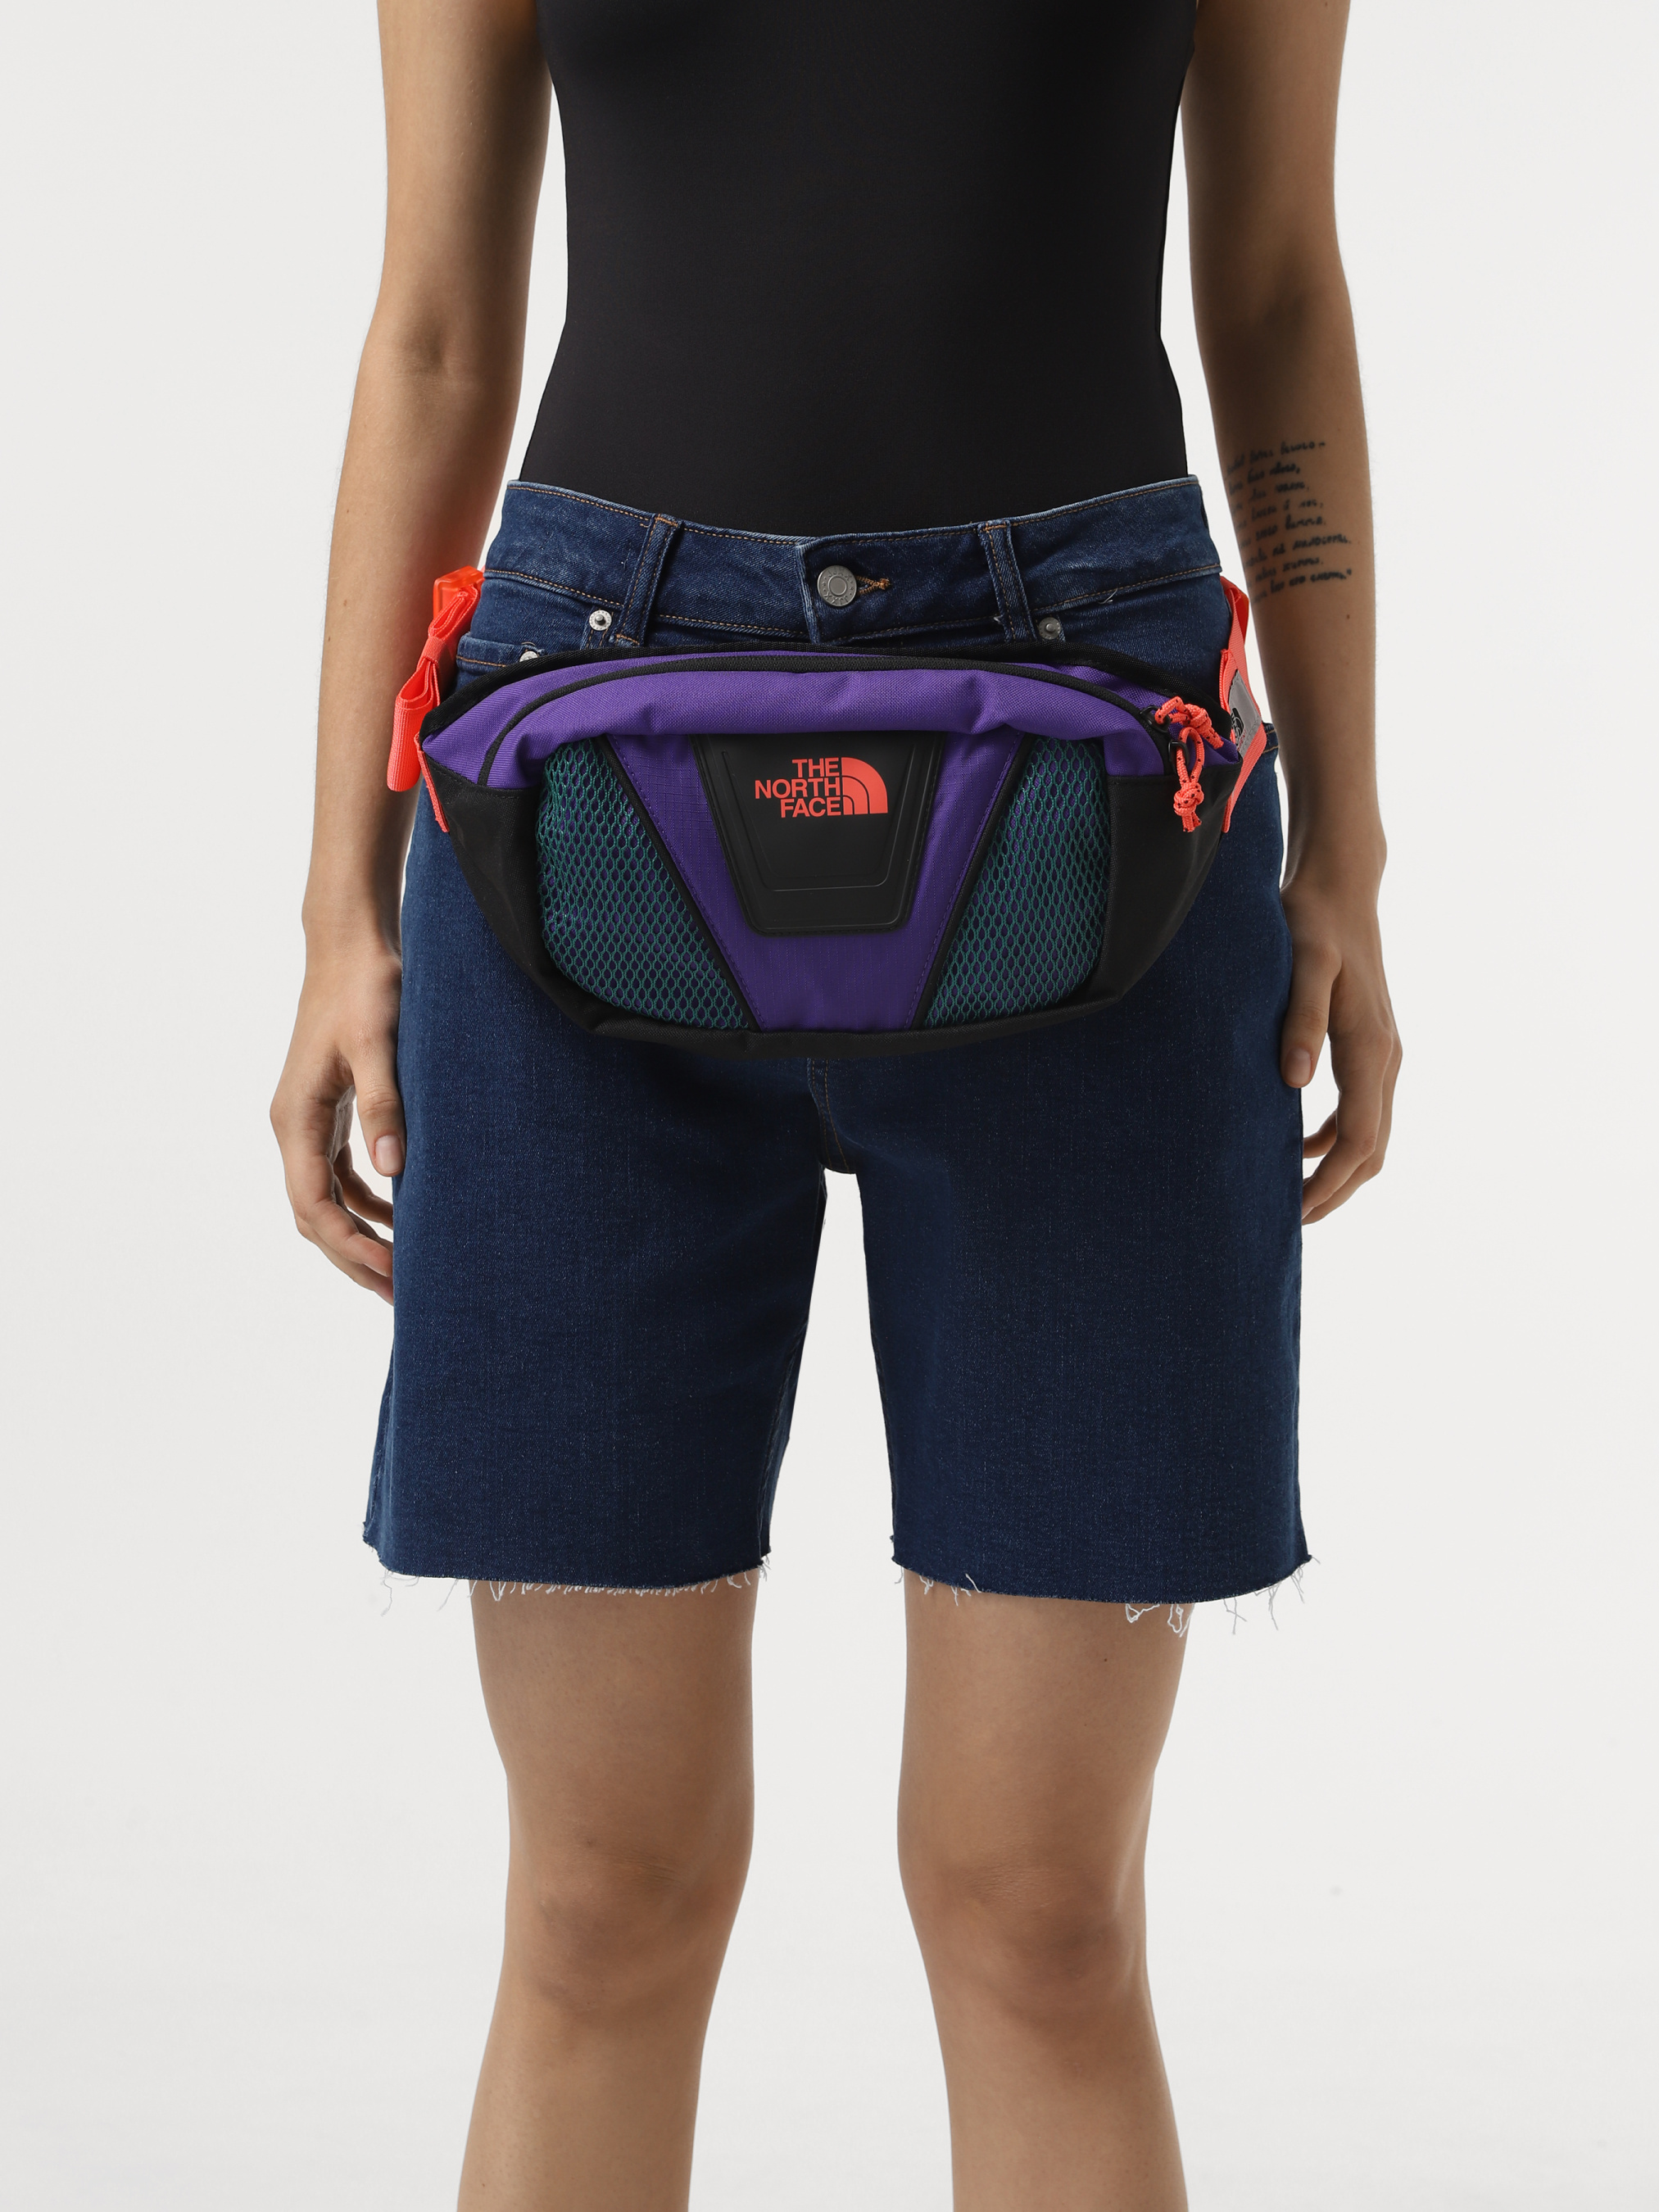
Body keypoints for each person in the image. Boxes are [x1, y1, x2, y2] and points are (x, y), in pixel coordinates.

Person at [271, 0, 1401, 2201]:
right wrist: (339, 899)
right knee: (597, 1901)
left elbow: (1272, 286)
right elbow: (433, 330)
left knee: (1040, 1913)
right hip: (574, 772)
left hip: (1108, 777)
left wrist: (1346, 846)